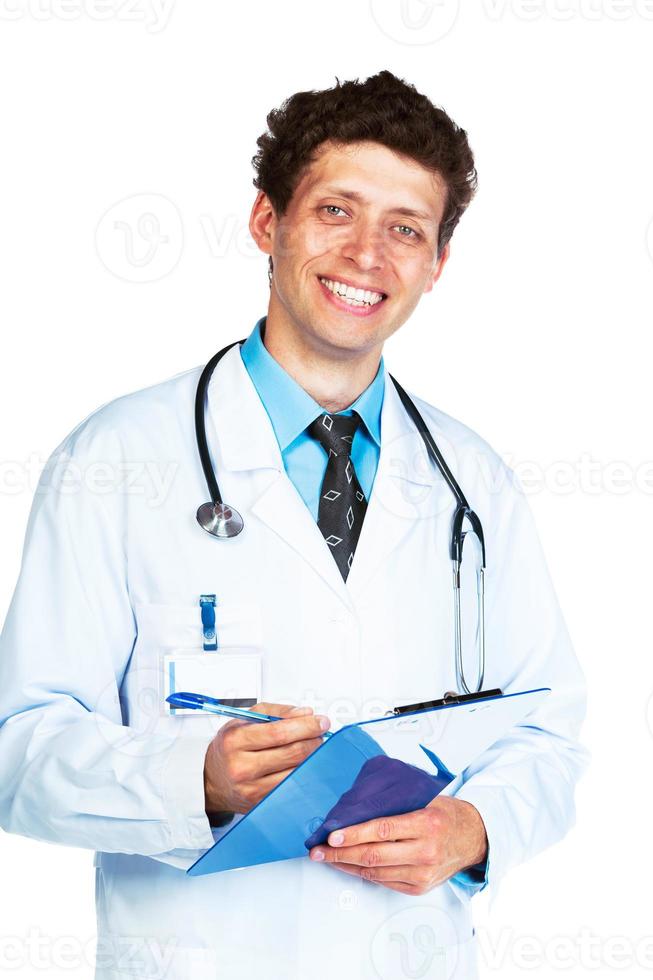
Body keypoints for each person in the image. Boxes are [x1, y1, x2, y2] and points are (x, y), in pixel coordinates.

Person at [0, 70, 588, 980]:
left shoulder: (475, 482)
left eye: (405, 229)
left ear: (437, 266)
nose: (367, 256)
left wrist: (475, 830)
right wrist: (192, 780)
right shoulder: (115, 459)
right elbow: (20, 745)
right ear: (267, 224)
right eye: (336, 211)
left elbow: (546, 733)